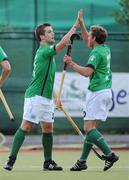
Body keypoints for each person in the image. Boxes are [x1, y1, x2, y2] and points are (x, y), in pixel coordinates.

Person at [3, 16, 79, 171]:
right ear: (42, 36)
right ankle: (10, 160)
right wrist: (76, 26)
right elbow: (63, 43)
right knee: (26, 126)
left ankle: (48, 162)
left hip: (46, 97)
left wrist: (56, 96)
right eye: (49, 32)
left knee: (48, 128)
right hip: (35, 96)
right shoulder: (44, 51)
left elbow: (48, 79)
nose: (53, 34)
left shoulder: (49, 55)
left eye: (52, 31)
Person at [63, 10, 119, 171]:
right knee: (90, 128)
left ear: (94, 38)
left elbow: (87, 72)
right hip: (105, 91)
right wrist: (81, 22)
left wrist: (71, 63)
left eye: (90, 35)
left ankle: (109, 154)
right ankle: (82, 161)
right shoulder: (104, 48)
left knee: (88, 129)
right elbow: (88, 39)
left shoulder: (96, 53)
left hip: (97, 92)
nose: (88, 37)